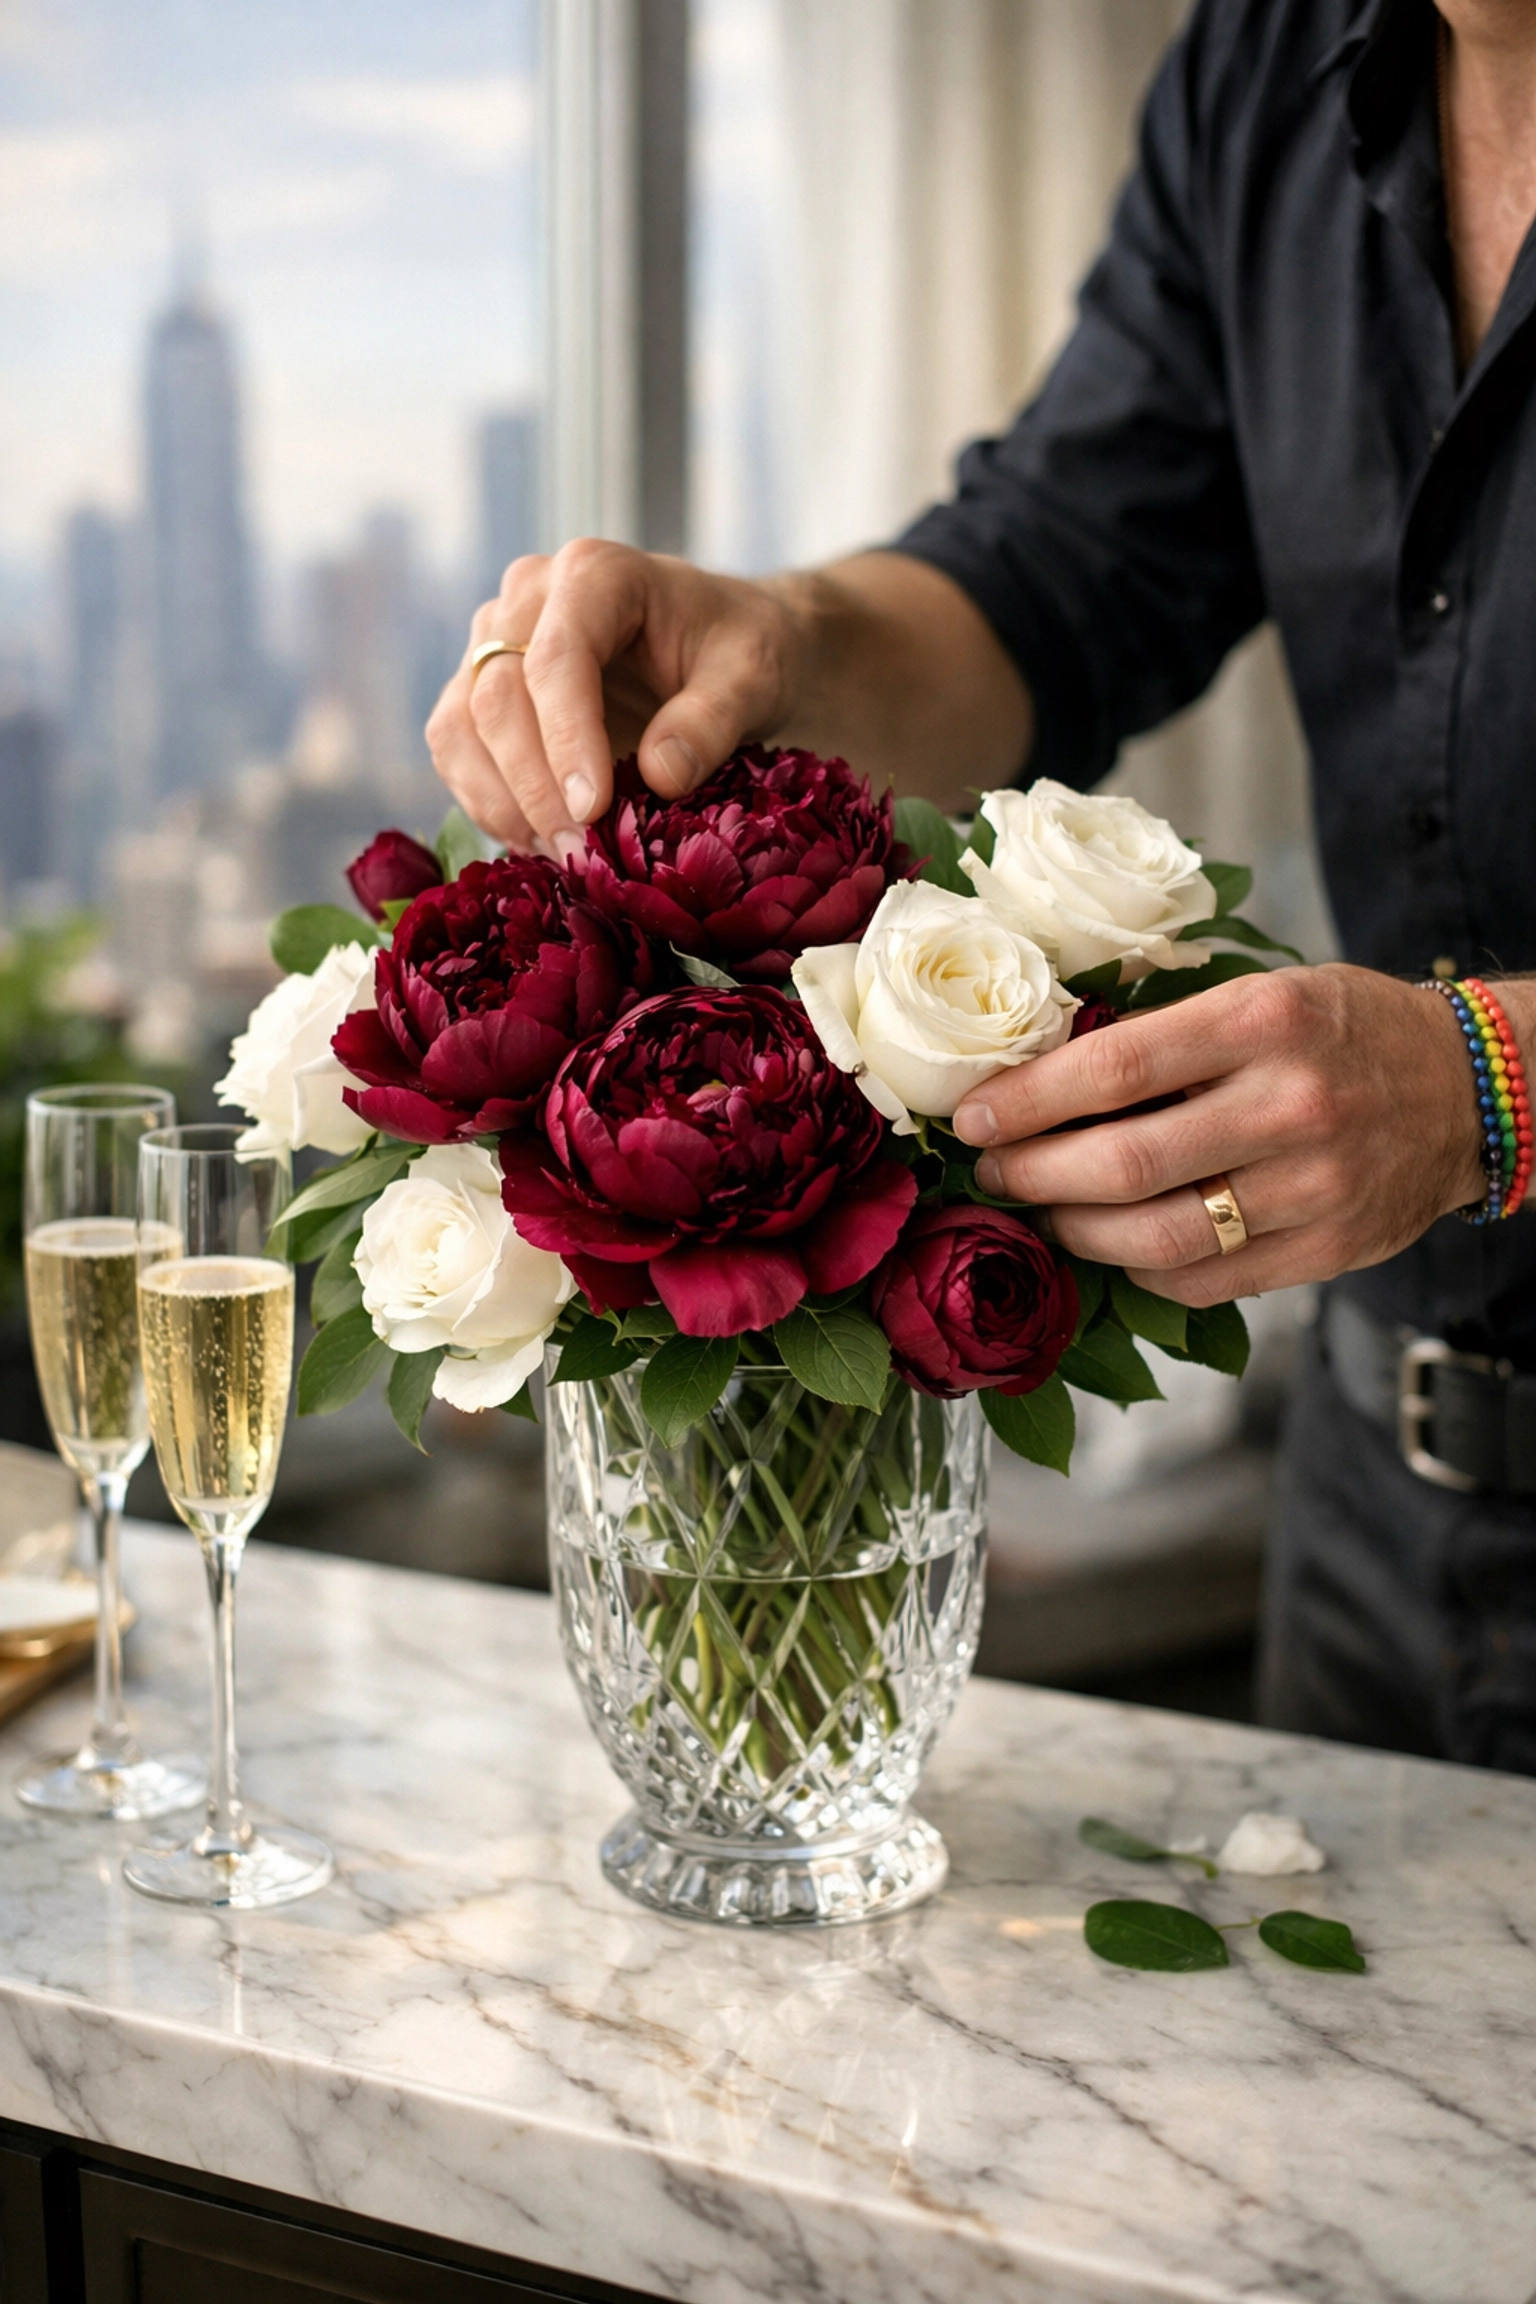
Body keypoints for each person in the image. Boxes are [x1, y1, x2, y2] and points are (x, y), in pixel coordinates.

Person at [427, 0, 1536, 1772]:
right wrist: (777, 639)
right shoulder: (1270, 70)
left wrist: (1496, 1086)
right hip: (1380, 1535)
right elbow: (1058, 572)